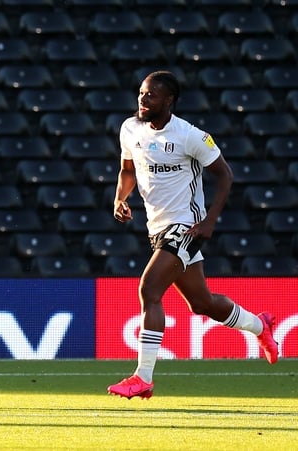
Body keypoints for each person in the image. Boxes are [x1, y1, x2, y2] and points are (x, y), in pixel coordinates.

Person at [107, 71, 279, 399]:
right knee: (202, 303)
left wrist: (210, 221)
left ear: (169, 100)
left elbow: (225, 175)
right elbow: (128, 169)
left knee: (150, 288)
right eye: (142, 93)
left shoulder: (190, 136)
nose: (143, 99)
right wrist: (120, 197)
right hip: (157, 227)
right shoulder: (130, 129)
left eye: (151, 95)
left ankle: (143, 378)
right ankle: (260, 326)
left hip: (188, 225)